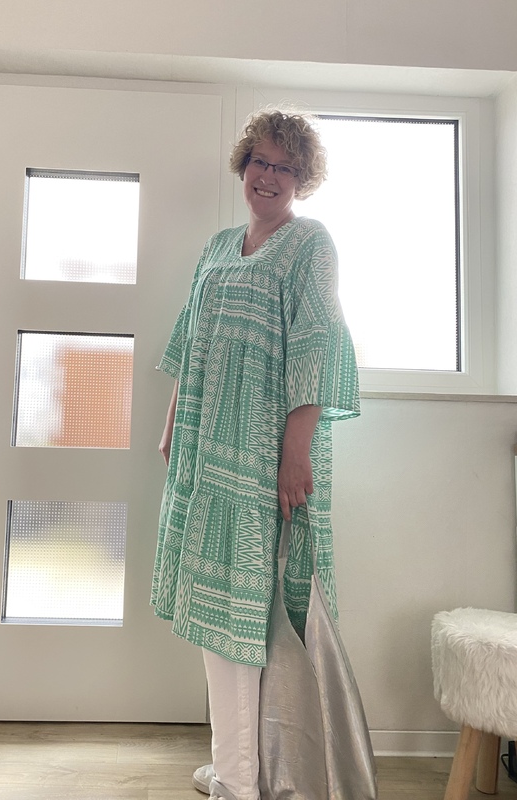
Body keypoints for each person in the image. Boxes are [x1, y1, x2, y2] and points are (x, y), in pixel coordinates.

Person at [151, 108, 360, 800]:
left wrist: (295, 455)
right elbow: (191, 342)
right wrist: (173, 424)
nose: (268, 176)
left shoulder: (310, 244)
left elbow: (316, 350)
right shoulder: (217, 247)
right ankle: (237, 766)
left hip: (262, 457)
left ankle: (241, 781)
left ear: (302, 178)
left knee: (244, 615)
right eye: (260, 162)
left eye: (284, 167)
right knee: (215, 609)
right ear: (244, 166)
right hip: (206, 450)